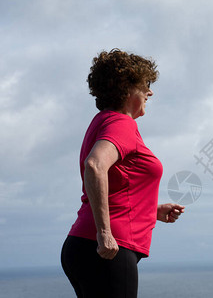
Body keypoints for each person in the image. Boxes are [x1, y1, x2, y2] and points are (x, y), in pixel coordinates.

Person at [61, 48, 185, 298]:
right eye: (146, 84)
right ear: (128, 88)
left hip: (83, 245)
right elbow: (95, 166)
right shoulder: (121, 123)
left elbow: (119, 184)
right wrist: (104, 233)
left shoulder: (104, 120)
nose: (150, 92)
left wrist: (152, 211)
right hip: (107, 249)